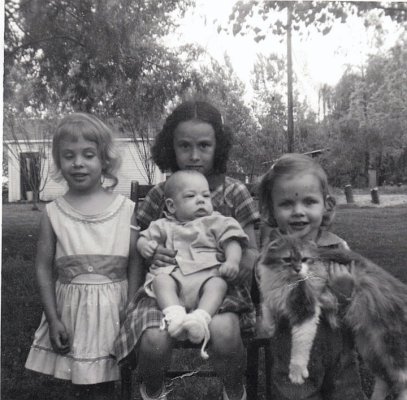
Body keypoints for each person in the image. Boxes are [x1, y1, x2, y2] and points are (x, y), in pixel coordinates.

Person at [115, 100, 259, 400]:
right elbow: (139, 243)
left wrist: (233, 261)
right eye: (184, 146)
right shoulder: (161, 194)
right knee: (154, 340)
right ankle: (153, 391)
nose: (194, 156)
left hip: (219, 291)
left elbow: (251, 251)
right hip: (165, 294)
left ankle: (234, 390)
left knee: (225, 332)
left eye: (204, 146)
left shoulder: (234, 192)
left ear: (218, 147)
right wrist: (149, 251)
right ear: (171, 147)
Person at [25, 113, 140, 400]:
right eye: (68, 156)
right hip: (74, 311)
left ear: (104, 160)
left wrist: (132, 303)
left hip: (115, 309)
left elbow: (137, 261)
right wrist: (53, 318)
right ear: (58, 161)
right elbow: (42, 267)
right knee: (81, 382)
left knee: (109, 383)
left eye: (88, 155)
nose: (78, 163)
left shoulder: (126, 209)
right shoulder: (54, 213)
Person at [257, 153, 367, 400]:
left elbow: (359, 303)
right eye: (286, 204)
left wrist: (347, 290)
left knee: (346, 394)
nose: (298, 211)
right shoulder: (274, 252)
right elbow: (269, 295)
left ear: (325, 204)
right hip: (291, 349)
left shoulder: (338, 247)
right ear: (272, 210)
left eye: (309, 202)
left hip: (340, 350)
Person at [137, 170, 249, 359]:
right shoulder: (163, 224)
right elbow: (143, 238)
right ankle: (175, 315)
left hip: (207, 277)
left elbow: (232, 241)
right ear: (171, 206)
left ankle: (200, 318)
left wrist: (232, 261)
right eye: (191, 196)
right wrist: (145, 246)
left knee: (218, 284)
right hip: (175, 278)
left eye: (206, 196)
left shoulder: (218, 221)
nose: (201, 200)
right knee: (161, 281)